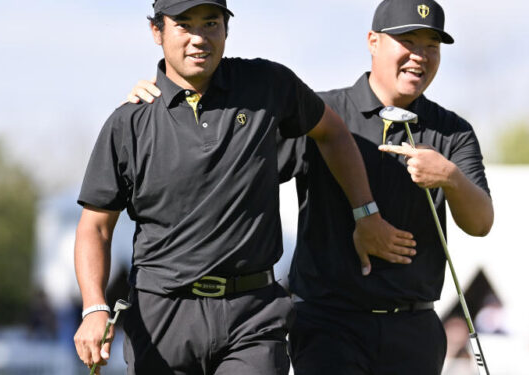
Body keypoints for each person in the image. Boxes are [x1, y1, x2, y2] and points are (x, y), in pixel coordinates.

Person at [127, 0, 494, 373]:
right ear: (373, 42)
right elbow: (230, 167)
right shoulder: (322, 113)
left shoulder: (453, 132)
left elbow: (480, 223)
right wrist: (167, 98)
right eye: (408, 41)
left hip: (413, 328)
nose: (419, 55)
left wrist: (449, 177)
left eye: (431, 46)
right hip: (327, 327)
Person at [73, 1, 411, 374]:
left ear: (227, 28)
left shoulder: (268, 86)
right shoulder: (130, 122)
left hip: (253, 315)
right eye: (184, 25)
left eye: (211, 23)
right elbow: (95, 226)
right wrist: (94, 307)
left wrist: (366, 213)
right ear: (157, 31)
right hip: (162, 315)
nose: (200, 38)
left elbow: (331, 132)